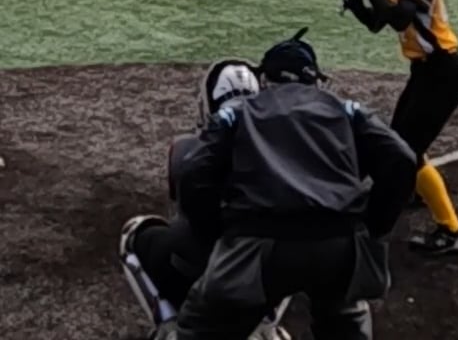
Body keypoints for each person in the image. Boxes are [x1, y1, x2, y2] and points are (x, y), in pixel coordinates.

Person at [170, 30, 419, 340]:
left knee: (200, 328)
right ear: (314, 78)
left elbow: (193, 171)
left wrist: (218, 232)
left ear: (266, 79)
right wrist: (372, 224)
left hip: (259, 247)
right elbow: (403, 160)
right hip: (338, 243)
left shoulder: (238, 112)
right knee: (344, 321)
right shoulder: (347, 109)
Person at [120, 60, 291, 340]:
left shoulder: (185, 149)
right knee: (294, 246)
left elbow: (183, 209)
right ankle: (265, 325)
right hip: (260, 278)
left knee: (133, 234)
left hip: (196, 273)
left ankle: (170, 325)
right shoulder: (283, 152)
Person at [341, 0, 458, 256]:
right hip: (426, 72)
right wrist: (359, 4)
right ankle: (412, 189)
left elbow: (400, 18)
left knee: (408, 151)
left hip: (444, 73)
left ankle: (452, 231)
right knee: (399, 140)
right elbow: (378, 21)